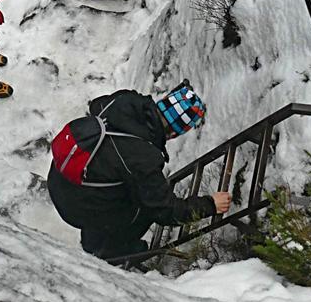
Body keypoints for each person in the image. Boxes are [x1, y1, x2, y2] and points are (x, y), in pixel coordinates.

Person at [47, 82, 230, 259]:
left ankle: (94, 237)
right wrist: (210, 204)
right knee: (144, 208)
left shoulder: (124, 101)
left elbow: (96, 105)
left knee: (121, 184)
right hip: (74, 206)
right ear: (175, 133)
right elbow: (165, 210)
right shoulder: (143, 158)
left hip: (59, 176)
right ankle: (111, 251)